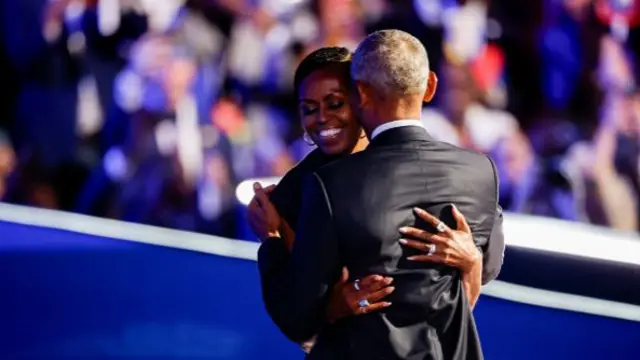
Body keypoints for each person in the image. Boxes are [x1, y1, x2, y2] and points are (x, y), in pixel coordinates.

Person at [256, 32, 504, 359]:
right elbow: (303, 327)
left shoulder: (330, 186)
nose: (323, 118)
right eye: (310, 108)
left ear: (360, 96)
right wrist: (334, 308)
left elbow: (476, 278)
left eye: (335, 102)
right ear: (428, 86)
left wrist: (471, 262)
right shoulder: (301, 189)